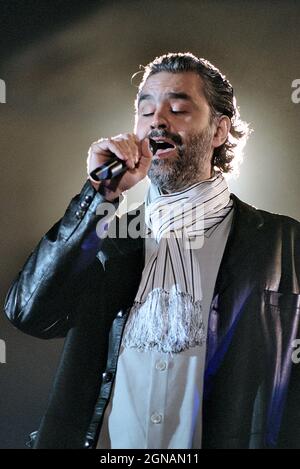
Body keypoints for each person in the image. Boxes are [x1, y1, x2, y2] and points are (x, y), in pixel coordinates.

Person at [4, 52, 300, 449]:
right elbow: (28, 313)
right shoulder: (105, 239)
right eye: (145, 111)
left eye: (178, 108)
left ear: (218, 131)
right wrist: (99, 195)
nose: (157, 120)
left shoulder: (285, 244)